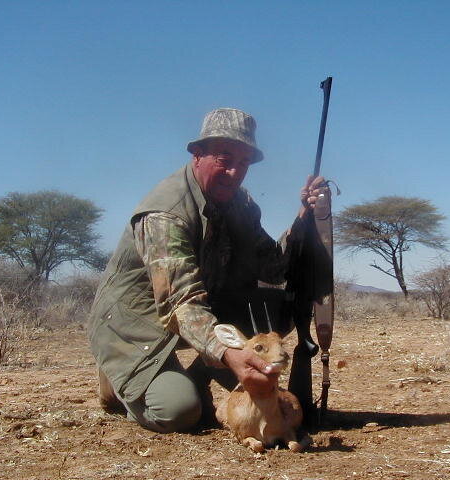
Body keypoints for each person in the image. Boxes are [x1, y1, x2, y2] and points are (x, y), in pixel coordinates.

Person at [88, 108, 327, 433]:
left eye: (243, 163)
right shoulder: (165, 213)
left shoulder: (239, 204)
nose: (233, 172)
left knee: (277, 311)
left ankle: (197, 375)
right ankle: (118, 384)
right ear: (197, 154)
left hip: (199, 312)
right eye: (224, 159)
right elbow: (180, 304)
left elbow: (274, 268)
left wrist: (305, 217)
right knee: (180, 411)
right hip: (136, 327)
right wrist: (229, 354)